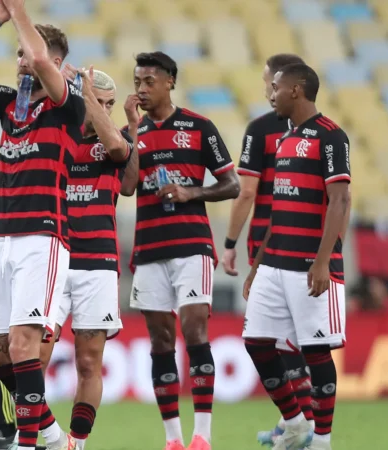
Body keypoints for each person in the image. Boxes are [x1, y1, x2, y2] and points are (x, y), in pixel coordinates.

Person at [0, 0, 84, 449]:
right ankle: (48, 432)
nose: (22, 61)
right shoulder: (14, 105)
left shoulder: (70, 105)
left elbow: (42, 58)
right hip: (0, 237)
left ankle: (29, 442)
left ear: (57, 64)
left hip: (41, 237)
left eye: (26, 55)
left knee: (24, 345)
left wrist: (19, 10)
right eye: (20, 56)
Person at [121, 51, 240, 450]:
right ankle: (172, 439)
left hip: (191, 245)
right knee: (159, 341)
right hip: (150, 246)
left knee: (194, 331)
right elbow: (127, 186)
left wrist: (192, 191)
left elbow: (232, 184)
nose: (141, 88)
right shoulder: (131, 131)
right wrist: (134, 132)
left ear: (170, 80)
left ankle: (201, 434)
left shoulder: (199, 127)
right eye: (137, 81)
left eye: (149, 80)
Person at [242, 63, 351, 450]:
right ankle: (295, 423)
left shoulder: (331, 136)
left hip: (309, 265)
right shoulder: (285, 140)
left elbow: (339, 199)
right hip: (274, 263)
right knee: (255, 342)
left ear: (297, 89)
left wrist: (323, 260)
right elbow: (277, 208)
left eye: (275, 87)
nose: (270, 94)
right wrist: (256, 266)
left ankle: (322, 440)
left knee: (315, 351)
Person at [221, 53, 316, 447]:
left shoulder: (261, 129)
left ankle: (301, 425)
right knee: (293, 337)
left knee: (273, 337)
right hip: (306, 242)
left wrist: (229, 244)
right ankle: (296, 423)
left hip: (268, 242)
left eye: (269, 81)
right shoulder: (319, 131)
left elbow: (246, 192)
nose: (266, 89)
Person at [38, 65, 132, 450]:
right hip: (54, 261)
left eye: (109, 103)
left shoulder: (117, 141)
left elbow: (115, 149)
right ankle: (43, 433)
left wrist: (89, 97)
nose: (103, 110)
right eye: (98, 101)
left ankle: (76, 443)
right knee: (31, 359)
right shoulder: (59, 131)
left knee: (89, 364)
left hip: (98, 265)